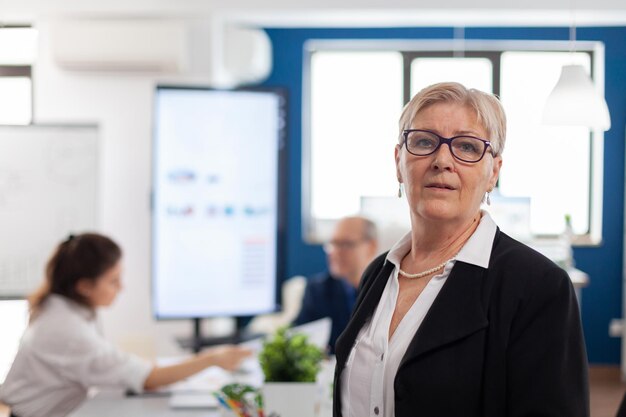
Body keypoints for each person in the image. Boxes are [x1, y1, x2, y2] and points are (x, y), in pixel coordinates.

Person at [333, 82, 588, 417]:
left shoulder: (538, 286)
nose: (442, 160)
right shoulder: (379, 273)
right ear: (399, 161)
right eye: (424, 141)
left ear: (493, 172)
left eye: (467, 147)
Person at [0, 233, 251, 417]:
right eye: (113, 281)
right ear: (84, 286)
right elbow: (148, 379)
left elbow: (126, 368)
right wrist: (212, 359)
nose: (121, 288)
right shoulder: (67, 329)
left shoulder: (65, 308)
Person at [293, 216, 378, 354]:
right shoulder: (317, 290)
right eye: (333, 244)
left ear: (371, 247)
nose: (336, 252)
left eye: (346, 244)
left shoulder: (387, 289)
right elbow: (298, 336)